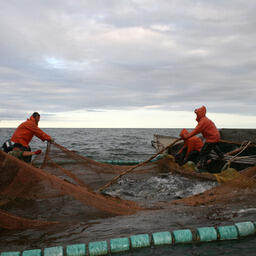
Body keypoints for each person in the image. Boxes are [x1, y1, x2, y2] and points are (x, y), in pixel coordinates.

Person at [183, 105, 224, 171]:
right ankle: (221, 155)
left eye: (197, 113)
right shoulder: (205, 119)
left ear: (200, 113)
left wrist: (187, 136)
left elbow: (196, 131)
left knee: (203, 153)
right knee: (213, 145)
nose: (196, 115)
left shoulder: (203, 121)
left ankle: (202, 168)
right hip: (216, 137)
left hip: (212, 138)